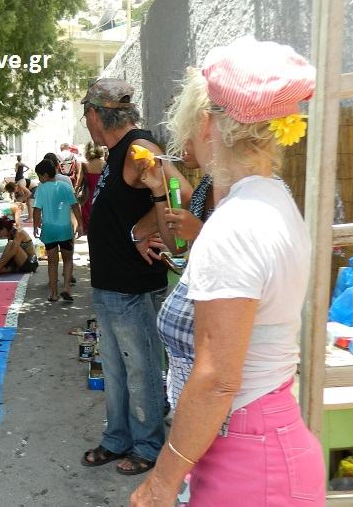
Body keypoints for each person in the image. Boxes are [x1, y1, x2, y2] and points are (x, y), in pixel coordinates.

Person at [130, 36, 325, 506]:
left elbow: (217, 377)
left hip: (247, 459)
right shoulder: (271, 198)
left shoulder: (235, 223)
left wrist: (161, 481)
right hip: (257, 444)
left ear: (206, 122)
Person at [80, 77, 191, 475]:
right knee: (115, 367)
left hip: (131, 286)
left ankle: (148, 446)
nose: (87, 122)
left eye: (86, 115)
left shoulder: (140, 148)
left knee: (141, 367)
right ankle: (118, 438)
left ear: (95, 114)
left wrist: (143, 229)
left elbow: (185, 193)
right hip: (112, 285)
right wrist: (137, 225)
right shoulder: (117, 153)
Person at [32, 159, 83, 302]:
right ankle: (66, 288)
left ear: (44, 175)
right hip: (65, 230)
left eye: (39, 176)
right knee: (67, 260)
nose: (39, 179)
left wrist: (36, 226)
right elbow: (74, 206)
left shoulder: (41, 189)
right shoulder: (66, 186)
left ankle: (53, 293)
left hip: (49, 230)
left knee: (52, 263)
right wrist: (80, 224)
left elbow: (37, 210)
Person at [79, 142, 107, 233]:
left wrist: (75, 192)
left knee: (88, 220)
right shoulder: (105, 164)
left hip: (88, 196)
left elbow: (79, 182)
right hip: (101, 195)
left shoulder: (84, 165)